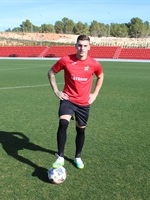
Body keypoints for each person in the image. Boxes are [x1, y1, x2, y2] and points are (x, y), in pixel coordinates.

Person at [47, 35, 104, 169]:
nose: (82, 48)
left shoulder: (94, 64)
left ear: (89, 47)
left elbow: (100, 76)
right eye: (79, 45)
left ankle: (77, 156)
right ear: (75, 46)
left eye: (85, 46)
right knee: (63, 123)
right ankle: (60, 156)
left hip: (84, 103)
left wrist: (95, 94)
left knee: (81, 130)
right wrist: (56, 91)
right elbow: (50, 73)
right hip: (68, 100)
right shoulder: (66, 60)